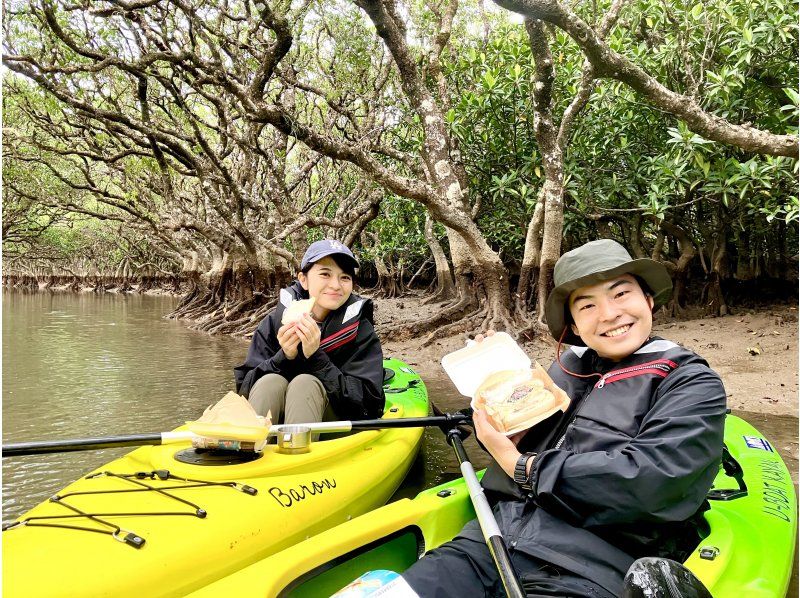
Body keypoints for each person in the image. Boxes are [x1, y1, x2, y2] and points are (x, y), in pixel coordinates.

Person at [403, 239, 727, 597]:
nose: (608, 314)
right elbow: (512, 442)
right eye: (587, 305)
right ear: (573, 324)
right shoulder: (563, 371)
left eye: (620, 294)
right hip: (489, 541)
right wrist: (496, 381)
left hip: (592, 567)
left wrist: (522, 466)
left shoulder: (690, 380)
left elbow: (655, 481)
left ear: (648, 299)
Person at [233, 240, 385, 425]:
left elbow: (371, 404)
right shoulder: (274, 323)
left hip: (332, 422)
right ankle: (251, 447)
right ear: (303, 279)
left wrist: (316, 358)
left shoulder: (361, 331)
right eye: (325, 274)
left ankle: (298, 449)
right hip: (273, 418)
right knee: (269, 382)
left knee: (304, 384)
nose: (336, 285)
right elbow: (244, 388)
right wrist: (283, 357)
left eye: (345, 277)